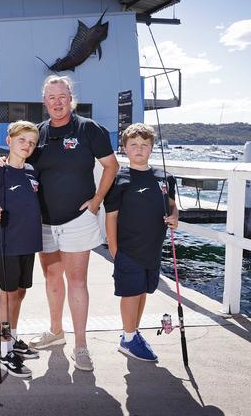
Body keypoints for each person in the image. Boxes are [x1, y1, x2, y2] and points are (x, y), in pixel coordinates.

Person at [27, 75, 119, 372]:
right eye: (51, 97)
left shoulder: (88, 129)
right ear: (44, 102)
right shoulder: (37, 133)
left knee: (76, 281)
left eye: (62, 96)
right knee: (52, 279)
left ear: (71, 98)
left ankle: (81, 345)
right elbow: (22, 162)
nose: (57, 102)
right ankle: (56, 332)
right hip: (43, 221)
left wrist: (97, 200)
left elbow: (111, 165)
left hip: (78, 220)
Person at [104, 123, 178, 361]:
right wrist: (114, 249)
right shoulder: (120, 179)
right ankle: (127, 339)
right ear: (124, 148)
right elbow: (111, 216)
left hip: (153, 249)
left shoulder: (165, 177)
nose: (139, 149)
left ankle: (133, 332)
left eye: (144, 145)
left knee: (143, 291)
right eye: (133, 144)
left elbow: (171, 204)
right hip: (128, 249)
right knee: (131, 293)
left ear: (152, 148)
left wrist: (175, 215)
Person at [0, 120, 42, 379]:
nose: (26, 145)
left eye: (31, 142)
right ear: (9, 141)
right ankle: (4, 349)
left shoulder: (32, 172)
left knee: (20, 293)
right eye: (21, 140)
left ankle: (13, 338)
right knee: (6, 297)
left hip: (29, 243)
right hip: (7, 244)